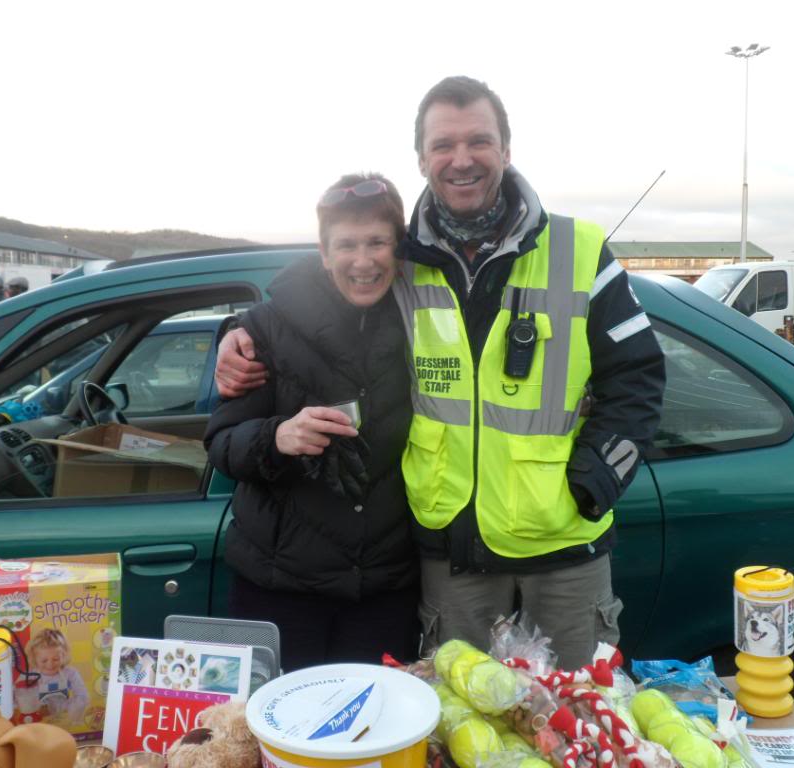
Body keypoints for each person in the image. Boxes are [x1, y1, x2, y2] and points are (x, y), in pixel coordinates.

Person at [215, 77, 666, 670]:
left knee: (577, 722)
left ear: (506, 149)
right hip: (449, 553)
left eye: (479, 140)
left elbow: (639, 375)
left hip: (566, 547)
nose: (461, 159)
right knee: (458, 727)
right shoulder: (404, 260)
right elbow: (319, 285)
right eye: (443, 145)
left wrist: (595, 481)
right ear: (422, 160)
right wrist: (236, 331)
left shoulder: (578, 249)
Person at [204, 173, 419, 672]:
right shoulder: (265, 328)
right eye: (346, 245)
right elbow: (220, 443)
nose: (362, 261)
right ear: (323, 253)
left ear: (398, 249)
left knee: (371, 735)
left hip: (386, 588)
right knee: (283, 741)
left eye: (376, 243)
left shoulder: (425, 320)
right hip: (281, 587)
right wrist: (278, 436)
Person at [22, 628, 89, 724]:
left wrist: (67, 709)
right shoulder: (30, 676)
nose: (50, 665)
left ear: (64, 655)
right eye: (44, 661)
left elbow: (83, 697)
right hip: (39, 722)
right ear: (34, 658)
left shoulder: (70, 673)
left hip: (65, 719)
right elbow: (19, 699)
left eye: (56, 659)